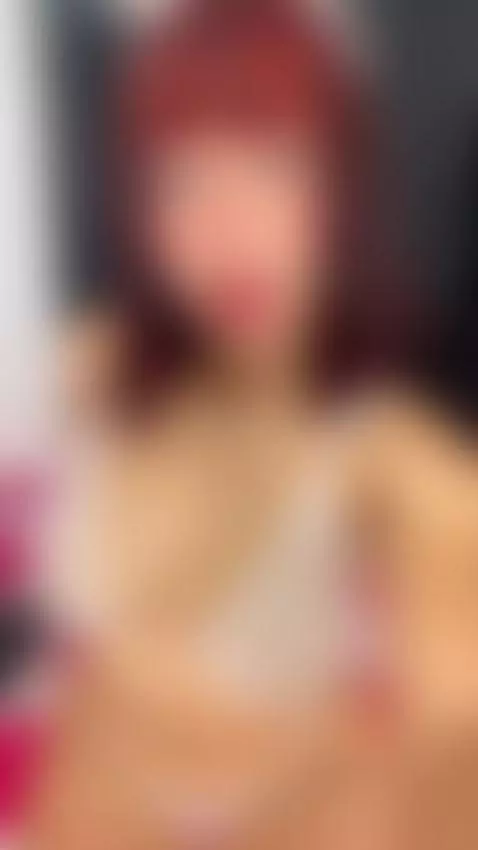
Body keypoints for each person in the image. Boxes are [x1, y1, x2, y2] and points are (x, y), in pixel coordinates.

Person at [27, 1, 478, 847]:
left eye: (272, 167)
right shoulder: (96, 376)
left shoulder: (395, 459)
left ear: (341, 187)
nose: (227, 230)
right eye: (182, 183)